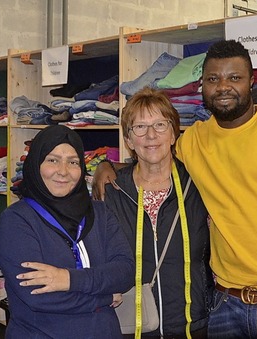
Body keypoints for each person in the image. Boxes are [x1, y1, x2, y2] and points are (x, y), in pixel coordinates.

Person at [94, 40, 257, 339]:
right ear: (202, 86)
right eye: (213, 79)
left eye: (234, 77)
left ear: (251, 81)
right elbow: (152, 154)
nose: (223, 86)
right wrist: (106, 165)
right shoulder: (193, 141)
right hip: (223, 305)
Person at [0, 125, 135, 338]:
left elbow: (125, 272)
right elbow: (38, 295)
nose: (63, 171)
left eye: (73, 162)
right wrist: (104, 297)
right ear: (36, 163)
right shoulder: (17, 220)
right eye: (52, 160)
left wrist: (68, 279)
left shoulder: (100, 212)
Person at [103, 87, 212, 338]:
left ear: (174, 133)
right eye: (139, 127)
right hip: (130, 326)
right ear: (129, 140)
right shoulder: (112, 192)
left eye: (161, 125)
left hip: (191, 326)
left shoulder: (198, 185)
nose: (151, 135)